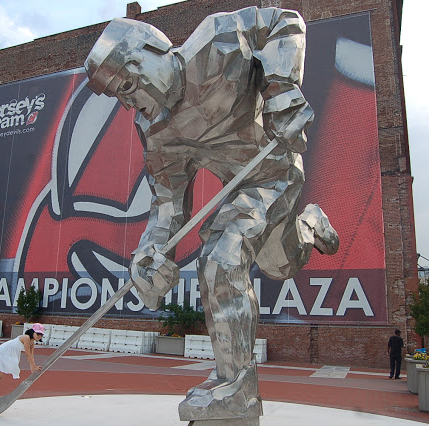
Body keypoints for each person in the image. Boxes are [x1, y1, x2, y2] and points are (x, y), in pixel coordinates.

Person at [85, 6, 339, 421]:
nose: (132, 102)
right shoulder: (155, 129)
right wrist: (152, 251)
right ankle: (308, 225)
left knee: (222, 255)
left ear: (153, 52)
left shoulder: (216, 40)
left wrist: (282, 91)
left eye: (129, 85)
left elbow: (283, 21)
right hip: (242, 189)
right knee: (282, 264)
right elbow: (168, 202)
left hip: (275, 168)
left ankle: (237, 387)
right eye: (122, 97)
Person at [0, 323, 44, 412]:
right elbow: (27, 354)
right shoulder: (26, 338)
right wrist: (33, 366)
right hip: (5, 352)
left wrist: (32, 366)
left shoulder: (32, 343)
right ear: (32, 332)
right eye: (37, 334)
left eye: (41, 334)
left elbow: (31, 355)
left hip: (5, 351)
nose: (39, 336)